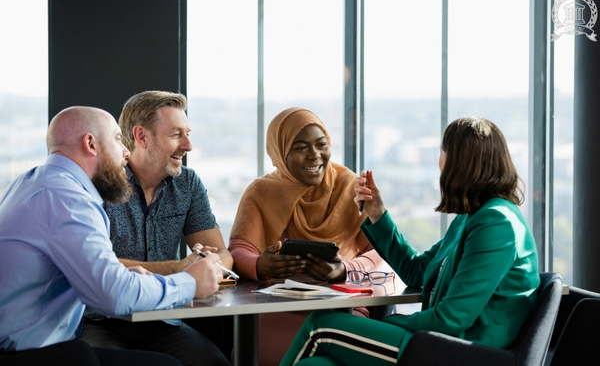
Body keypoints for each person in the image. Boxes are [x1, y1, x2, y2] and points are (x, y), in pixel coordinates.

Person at [280, 116, 540, 365]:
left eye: (443, 151)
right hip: (442, 343)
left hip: (463, 353)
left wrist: (385, 325)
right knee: (317, 364)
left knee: (320, 326)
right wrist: (378, 215)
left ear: (459, 163)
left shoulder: (496, 223)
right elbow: (417, 271)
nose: (439, 161)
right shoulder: (473, 217)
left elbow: (450, 319)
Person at [0, 106, 222, 365]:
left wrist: (126, 276)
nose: (126, 151)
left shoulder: (33, 183)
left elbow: (96, 275)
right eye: (118, 139)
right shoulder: (70, 201)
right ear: (91, 144)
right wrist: (189, 283)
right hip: (32, 355)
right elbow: (111, 295)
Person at [228, 107, 393, 365]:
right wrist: (260, 264)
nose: (314, 155)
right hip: (277, 306)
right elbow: (238, 251)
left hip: (341, 305)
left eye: (321, 145)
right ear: (280, 153)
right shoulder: (261, 192)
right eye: (301, 148)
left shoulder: (349, 187)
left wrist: (344, 270)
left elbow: (383, 255)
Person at [78, 91, 232, 366]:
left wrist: (208, 263)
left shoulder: (188, 184)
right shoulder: (99, 182)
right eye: (176, 135)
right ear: (141, 136)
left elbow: (222, 252)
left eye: (187, 133)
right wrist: (179, 268)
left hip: (162, 320)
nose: (188, 145)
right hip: (100, 320)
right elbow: (97, 266)